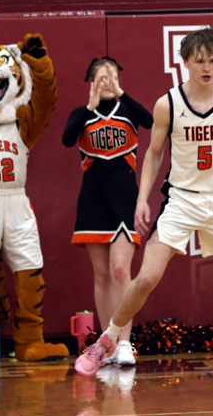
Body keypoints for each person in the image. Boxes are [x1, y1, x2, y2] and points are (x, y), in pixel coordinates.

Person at [74, 28, 213, 384]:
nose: (207, 67)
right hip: (182, 199)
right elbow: (154, 154)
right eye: (199, 61)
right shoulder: (168, 103)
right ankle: (106, 341)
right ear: (185, 62)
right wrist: (142, 199)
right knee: (147, 277)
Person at [62, 57, 153, 366]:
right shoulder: (81, 114)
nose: (106, 82)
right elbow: (67, 139)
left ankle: (124, 342)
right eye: (101, 77)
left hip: (125, 197)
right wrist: (89, 107)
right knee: (101, 275)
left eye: (112, 76)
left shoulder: (128, 110)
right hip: (93, 200)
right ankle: (107, 347)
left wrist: (121, 93)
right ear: (91, 82)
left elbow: (148, 120)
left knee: (120, 270)